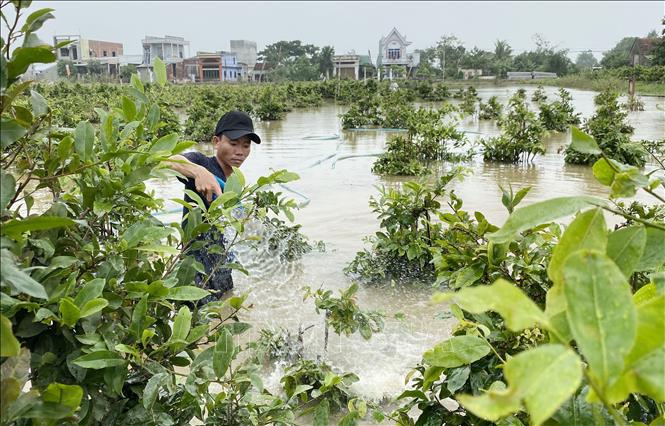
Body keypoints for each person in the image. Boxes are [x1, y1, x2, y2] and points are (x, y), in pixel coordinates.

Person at [166, 111, 261, 304]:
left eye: (245, 145)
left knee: (225, 317)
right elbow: (167, 160)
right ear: (216, 142)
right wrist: (198, 172)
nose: (240, 152)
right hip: (194, 273)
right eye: (233, 144)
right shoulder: (202, 163)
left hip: (222, 267)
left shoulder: (234, 183)